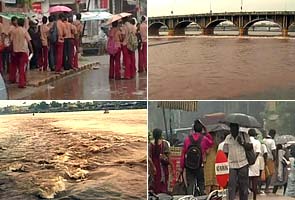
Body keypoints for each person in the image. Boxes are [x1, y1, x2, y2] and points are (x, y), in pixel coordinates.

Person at [180, 119, 214, 196]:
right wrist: (206, 131)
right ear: (201, 129)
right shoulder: (204, 139)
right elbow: (211, 142)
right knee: (201, 185)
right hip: (199, 166)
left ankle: (190, 197)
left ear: (193, 129)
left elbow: (183, 154)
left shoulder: (187, 139)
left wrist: (182, 167)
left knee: (190, 186)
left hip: (189, 166)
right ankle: (202, 196)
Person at [223, 123, 250, 200]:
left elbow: (250, 147)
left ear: (238, 129)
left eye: (235, 129)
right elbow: (225, 151)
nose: (233, 131)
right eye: (232, 129)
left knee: (244, 186)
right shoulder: (228, 138)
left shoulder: (244, 135)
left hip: (243, 163)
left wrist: (242, 143)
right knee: (231, 186)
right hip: (232, 165)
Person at [148, 128, 174, 194]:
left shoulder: (150, 145)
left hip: (154, 168)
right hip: (163, 167)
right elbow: (169, 157)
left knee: (154, 184)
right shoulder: (164, 144)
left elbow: (149, 157)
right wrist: (172, 167)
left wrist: (152, 166)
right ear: (161, 135)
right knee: (163, 184)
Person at [10, 18, 33, 88]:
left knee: (14, 66)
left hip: (15, 51)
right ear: (23, 23)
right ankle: (22, 83)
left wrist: (12, 50)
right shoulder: (24, 31)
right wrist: (32, 50)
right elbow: (29, 41)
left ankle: (13, 79)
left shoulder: (14, 31)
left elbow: (11, 41)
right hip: (23, 51)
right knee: (22, 67)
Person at [248, 129, 261, 200]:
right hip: (255, 164)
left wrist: (249, 160)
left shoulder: (246, 142)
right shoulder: (257, 142)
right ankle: (254, 198)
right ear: (255, 134)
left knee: (247, 182)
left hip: (247, 163)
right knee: (254, 182)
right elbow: (258, 152)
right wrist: (253, 160)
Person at [8, 16, 18, 83]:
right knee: (13, 64)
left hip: (14, 47)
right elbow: (11, 39)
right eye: (16, 21)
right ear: (13, 21)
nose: (16, 22)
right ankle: (12, 78)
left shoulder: (14, 28)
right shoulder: (12, 28)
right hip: (13, 47)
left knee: (14, 63)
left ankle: (13, 78)